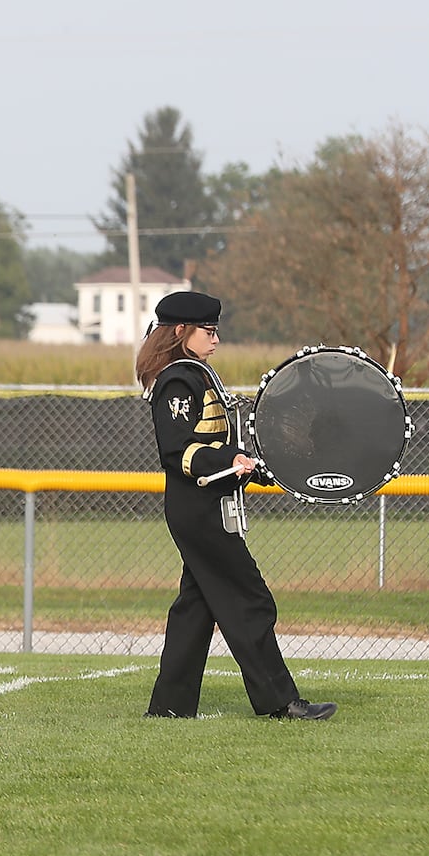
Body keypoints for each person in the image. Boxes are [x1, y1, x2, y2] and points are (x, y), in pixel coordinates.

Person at [134, 291, 335, 720]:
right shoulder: (178, 380)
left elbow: (221, 444)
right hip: (198, 509)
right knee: (250, 600)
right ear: (180, 331)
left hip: (210, 504)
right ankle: (279, 702)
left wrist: (251, 464)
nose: (216, 339)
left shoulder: (200, 374)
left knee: (196, 606)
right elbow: (178, 452)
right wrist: (229, 460)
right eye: (208, 331)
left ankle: (169, 706)